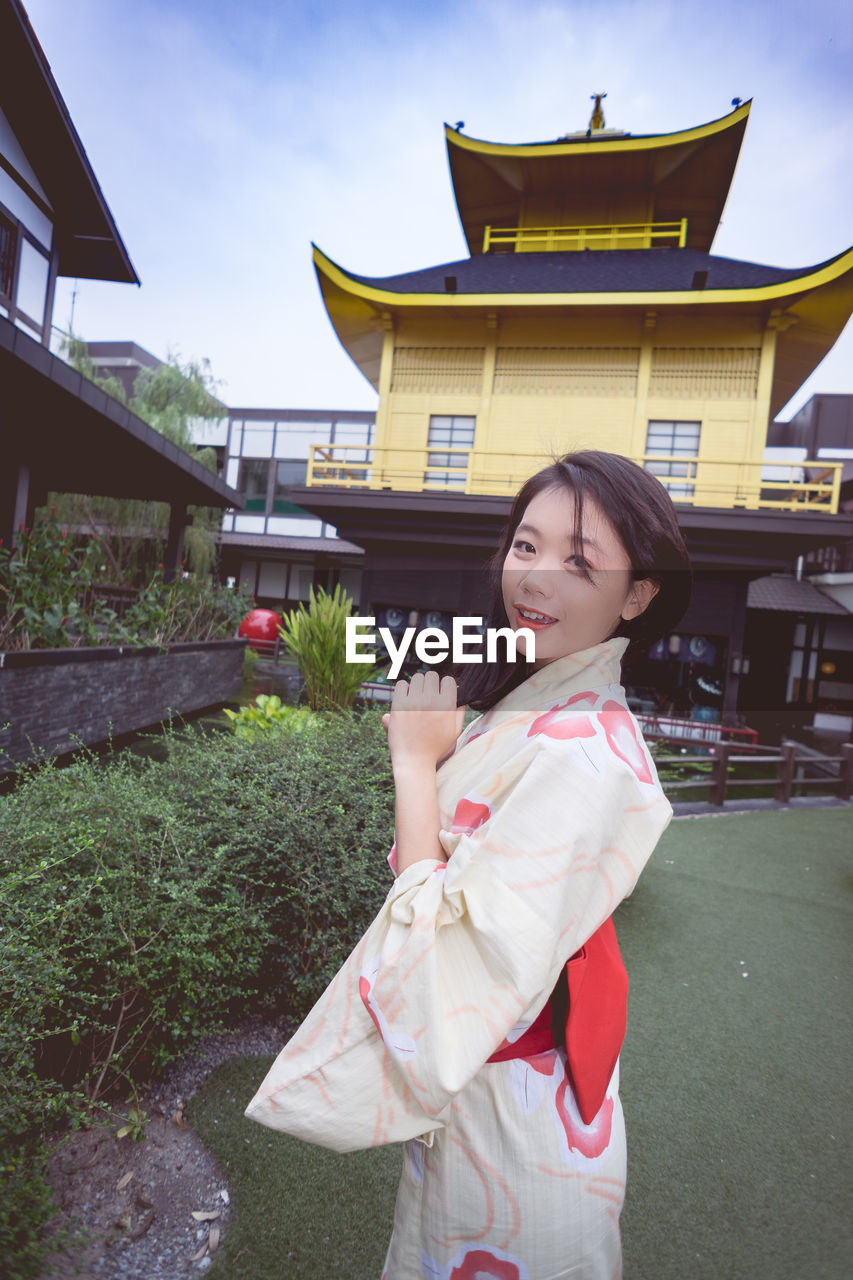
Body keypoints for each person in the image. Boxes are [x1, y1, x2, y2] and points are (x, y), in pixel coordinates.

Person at [245, 449, 692, 1280]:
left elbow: (445, 968)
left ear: (638, 593)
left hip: (513, 1130)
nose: (536, 578)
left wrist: (415, 765)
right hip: (502, 1092)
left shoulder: (579, 755)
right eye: (526, 547)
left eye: (579, 560)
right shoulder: (538, 699)